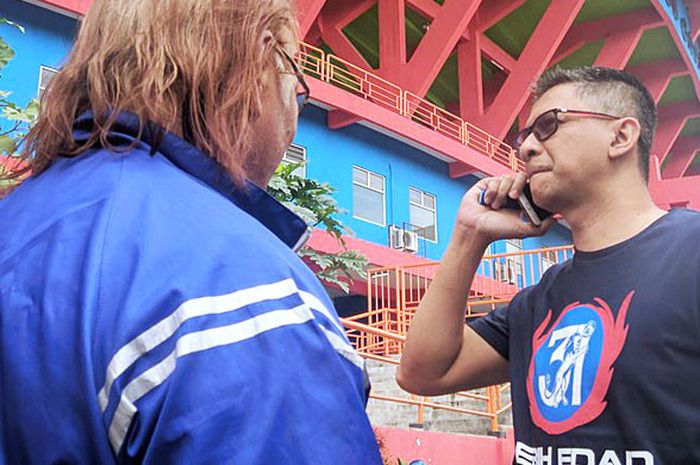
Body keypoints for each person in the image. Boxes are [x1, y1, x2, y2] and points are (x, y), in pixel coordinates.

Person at [0, 0, 382, 463]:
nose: (294, 118)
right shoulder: (249, 293)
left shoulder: (18, 223)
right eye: (296, 86)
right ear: (260, 65)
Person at [397, 66, 700, 464]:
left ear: (621, 136)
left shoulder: (691, 253)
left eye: (549, 125)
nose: (525, 150)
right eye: (524, 139)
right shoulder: (537, 302)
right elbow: (422, 374)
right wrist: (471, 234)